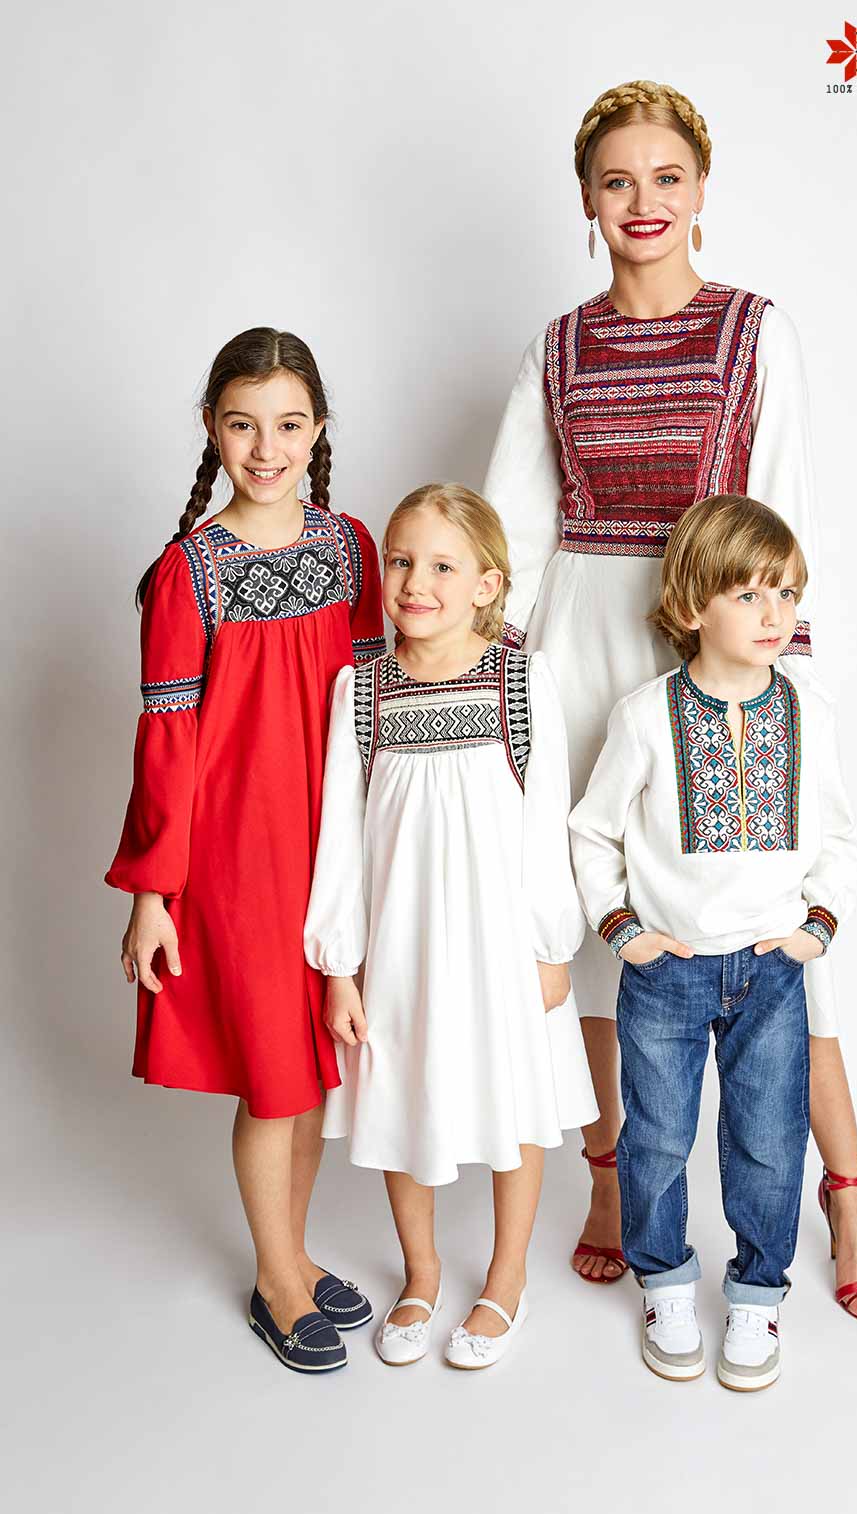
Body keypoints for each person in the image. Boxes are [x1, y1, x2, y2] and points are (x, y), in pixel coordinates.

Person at [482, 79, 857, 1319]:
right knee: (601, 931)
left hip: (725, 650)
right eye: (617, 180)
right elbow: (514, 531)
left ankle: (847, 1189)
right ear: (586, 199)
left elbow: (781, 511)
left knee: (773, 929)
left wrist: (786, 686)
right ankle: (614, 1181)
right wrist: (499, 686)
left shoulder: (756, 332)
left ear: (701, 189)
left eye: (665, 177)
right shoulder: (556, 348)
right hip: (583, 651)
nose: (642, 201)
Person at [106, 328, 386, 1374]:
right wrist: (153, 892)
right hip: (240, 860)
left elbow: (376, 697)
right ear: (210, 429)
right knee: (274, 1076)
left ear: (318, 428)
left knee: (313, 1068)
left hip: (335, 846)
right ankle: (275, 1282)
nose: (265, 449)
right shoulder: (191, 571)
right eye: (241, 425)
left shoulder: (352, 547)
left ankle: (296, 1254)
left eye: (287, 424)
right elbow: (167, 740)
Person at [570, 495, 857, 1390]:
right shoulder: (644, 715)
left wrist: (816, 927)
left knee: (770, 1141)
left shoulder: (807, 711)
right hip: (667, 972)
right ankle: (664, 1281)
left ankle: (756, 1293)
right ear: (692, 604)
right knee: (657, 1139)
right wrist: (622, 930)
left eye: (786, 593)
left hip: (772, 972)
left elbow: (838, 837)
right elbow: (592, 831)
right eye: (748, 594)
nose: (774, 613)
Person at [304, 483, 597, 1370]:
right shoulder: (362, 689)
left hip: (500, 939)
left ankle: (505, 1278)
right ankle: (422, 1272)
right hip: (401, 943)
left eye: (441, 565)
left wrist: (551, 947)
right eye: (400, 561)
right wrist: (340, 965)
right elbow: (340, 838)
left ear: (486, 584)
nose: (414, 582)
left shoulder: (520, 680)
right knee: (400, 1090)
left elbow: (546, 823)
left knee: (515, 1098)